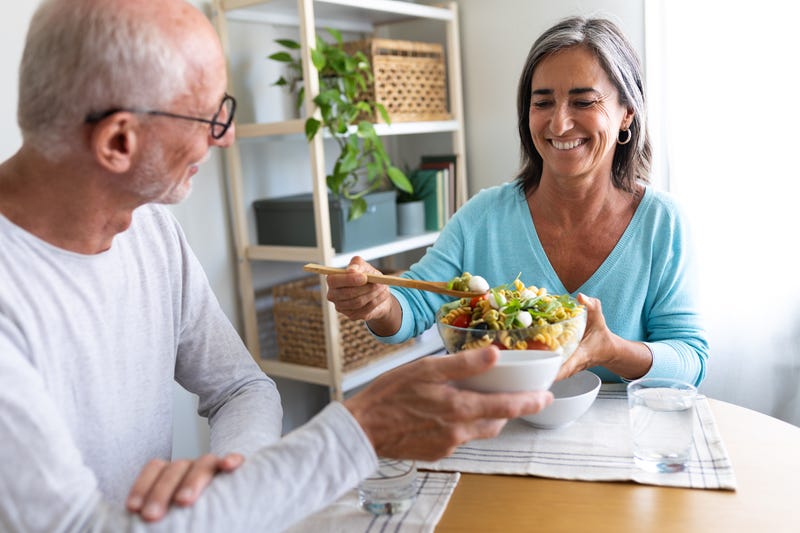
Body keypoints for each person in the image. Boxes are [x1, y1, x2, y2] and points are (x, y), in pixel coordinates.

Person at [0, 0, 554, 531]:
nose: (228, 135)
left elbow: (242, 388)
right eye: (211, 114)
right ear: (119, 140)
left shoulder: (151, 231)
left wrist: (227, 479)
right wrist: (363, 430)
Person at [325, 16, 709, 387]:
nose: (558, 124)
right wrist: (377, 302)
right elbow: (413, 304)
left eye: (584, 102)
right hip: (498, 427)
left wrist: (611, 350)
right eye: (542, 103)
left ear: (627, 113)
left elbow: (690, 359)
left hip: (619, 439)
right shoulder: (483, 217)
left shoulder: (662, 222)